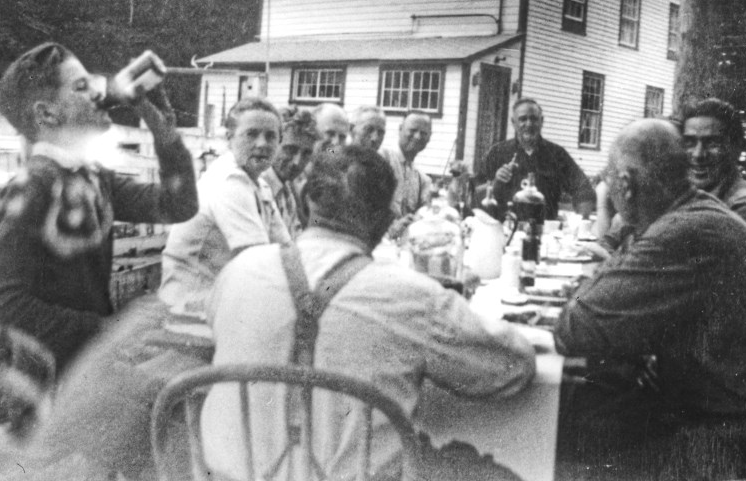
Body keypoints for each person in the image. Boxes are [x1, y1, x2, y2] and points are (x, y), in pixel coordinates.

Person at [201, 145, 536, 481]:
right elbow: (513, 367)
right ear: (386, 220)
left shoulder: (238, 271)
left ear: (304, 203)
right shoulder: (412, 295)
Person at [553, 119, 746, 481]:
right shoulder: (691, 213)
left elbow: (574, 328)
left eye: (609, 181)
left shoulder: (681, 231)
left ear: (626, 186)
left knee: (591, 464)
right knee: (593, 420)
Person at [0, 42, 198, 372]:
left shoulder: (94, 179)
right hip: (40, 382)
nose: (99, 93)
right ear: (46, 114)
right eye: (82, 87)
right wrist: (107, 330)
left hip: (78, 370)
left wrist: (163, 131)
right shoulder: (33, 185)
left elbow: (178, 206)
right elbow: (1, 304)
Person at [159, 96, 290, 315]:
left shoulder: (258, 183)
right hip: (189, 310)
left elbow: (286, 251)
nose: (262, 144)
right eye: (251, 134)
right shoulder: (229, 181)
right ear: (229, 139)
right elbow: (258, 263)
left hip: (219, 304)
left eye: (271, 136)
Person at [680, 97, 746, 249]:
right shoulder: (699, 197)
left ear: (737, 148)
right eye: (690, 142)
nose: (698, 154)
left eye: (712, 143)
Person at [479, 98, 595, 220]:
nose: (529, 124)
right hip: (504, 230)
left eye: (534, 119)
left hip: (544, 231)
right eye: (523, 119)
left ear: (542, 121)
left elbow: (584, 190)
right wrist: (496, 182)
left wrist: (581, 223)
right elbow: (477, 194)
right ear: (513, 122)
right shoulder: (497, 152)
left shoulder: (557, 155)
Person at [261, 106, 318, 237]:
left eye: (306, 154)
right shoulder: (258, 187)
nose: (297, 162)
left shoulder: (287, 189)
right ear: (273, 144)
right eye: (290, 150)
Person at [379, 111, 434, 234]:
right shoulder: (382, 159)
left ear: (429, 137)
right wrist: (390, 228)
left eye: (423, 133)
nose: (417, 136)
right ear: (400, 129)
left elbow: (427, 213)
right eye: (413, 130)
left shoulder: (421, 178)